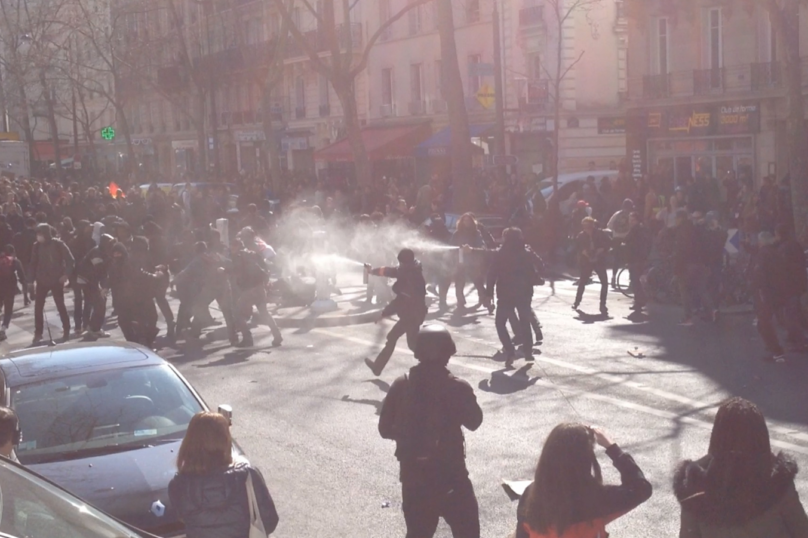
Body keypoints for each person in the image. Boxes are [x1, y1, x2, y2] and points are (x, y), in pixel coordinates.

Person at [378, 324, 483, 538]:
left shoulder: (401, 384)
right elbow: (475, 422)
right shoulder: (457, 387)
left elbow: (384, 428)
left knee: (417, 533)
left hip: (414, 479)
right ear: (448, 353)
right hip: (451, 477)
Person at [674, 397, 808, 537]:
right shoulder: (777, 480)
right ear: (760, 437)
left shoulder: (694, 484)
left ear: (717, 435)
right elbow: (801, 530)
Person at [515, 424, 652, 538]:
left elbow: (522, 532)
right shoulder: (598, 499)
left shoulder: (532, 495)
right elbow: (641, 489)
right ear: (586, 460)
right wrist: (612, 447)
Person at [168, 412, 279, 538]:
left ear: (189, 442)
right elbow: (270, 521)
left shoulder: (178, 485)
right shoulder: (247, 476)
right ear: (225, 439)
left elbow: (183, 519)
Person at [364, 248, 428, 376]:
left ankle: (431, 366)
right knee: (393, 338)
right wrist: (373, 271)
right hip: (411, 315)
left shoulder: (411, 277)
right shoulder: (409, 270)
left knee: (412, 345)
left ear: (405, 263)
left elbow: (399, 301)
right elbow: (390, 271)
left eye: (401, 263)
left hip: (412, 315)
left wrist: (384, 313)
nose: (399, 265)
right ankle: (377, 367)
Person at [486, 227, 538, 365]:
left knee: (500, 323)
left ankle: (510, 351)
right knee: (525, 321)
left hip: (505, 293)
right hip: (524, 292)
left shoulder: (500, 254)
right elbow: (541, 266)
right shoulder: (526, 252)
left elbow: (492, 274)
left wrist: (488, 293)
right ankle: (528, 351)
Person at [750, 232, 798, 363]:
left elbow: (759, 276)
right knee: (780, 319)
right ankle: (784, 344)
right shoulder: (777, 253)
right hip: (780, 293)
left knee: (764, 323)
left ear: (760, 242)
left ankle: (776, 351)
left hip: (766, 294)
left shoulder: (762, 255)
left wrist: (759, 292)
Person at [229, 238, 282, 348]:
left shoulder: (239, 256)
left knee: (237, 313)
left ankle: (247, 339)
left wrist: (224, 271)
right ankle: (277, 336)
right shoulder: (253, 254)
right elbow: (265, 267)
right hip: (259, 287)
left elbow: (237, 271)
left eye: (233, 247)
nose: (231, 249)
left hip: (249, 289)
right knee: (264, 312)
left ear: (237, 246)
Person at [29, 223, 74, 343]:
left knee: (60, 305)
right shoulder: (36, 246)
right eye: (37, 234)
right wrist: (30, 281)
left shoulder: (59, 244)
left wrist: (66, 275)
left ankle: (66, 329)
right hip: (41, 280)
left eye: (40, 234)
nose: (38, 236)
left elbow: (70, 260)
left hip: (56, 279)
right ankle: (38, 332)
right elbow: (33, 264)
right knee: (38, 307)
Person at [75, 233, 116, 338]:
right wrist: (103, 286)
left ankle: (94, 328)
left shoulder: (102, 251)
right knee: (99, 304)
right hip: (87, 281)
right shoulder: (97, 253)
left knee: (98, 304)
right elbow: (99, 269)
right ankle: (93, 328)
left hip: (90, 281)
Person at [775, 223, 808, 340]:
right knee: (795, 309)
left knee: (791, 312)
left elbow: (782, 269)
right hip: (798, 283)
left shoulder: (783, 248)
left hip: (790, 285)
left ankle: (798, 338)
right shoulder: (795, 245)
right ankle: (795, 336)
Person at [572, 217, 611, 315]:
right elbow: (578, 247)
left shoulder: (600, 233)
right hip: (587, 261)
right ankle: (577, 301)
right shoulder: (581, 236)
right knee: (582, 282)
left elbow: (609, 243)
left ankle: (603, 304)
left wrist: (601, 250)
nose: (587, 230)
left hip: (599, 260)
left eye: (589, 227)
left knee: (604, 283)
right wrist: (585, 253)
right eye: (585, 227)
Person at [623, 212, 651, 311]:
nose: (631, 222)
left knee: (635, 281)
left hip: (635, 259)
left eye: (633, 220)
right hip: (637, 258)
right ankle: (640, 300)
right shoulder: (640, 229)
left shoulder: (637, 230)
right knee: (636, 280)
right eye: (630, 220)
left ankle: (640, 300)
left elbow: (630, 242)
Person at [606, 199, 634, 288]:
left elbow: (609, 225)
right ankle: (631, 281)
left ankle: (613, 278)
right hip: (628, 239)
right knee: (630, 260)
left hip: (616, 239)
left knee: (616, 259)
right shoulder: (631, 215)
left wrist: (615, 231)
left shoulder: (617, 214)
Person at [0, 245, 25, 341]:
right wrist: (24, 285)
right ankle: (3, 329)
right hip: (10, 288)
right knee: (8, 310)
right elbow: (22, 275)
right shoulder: (15, 261)